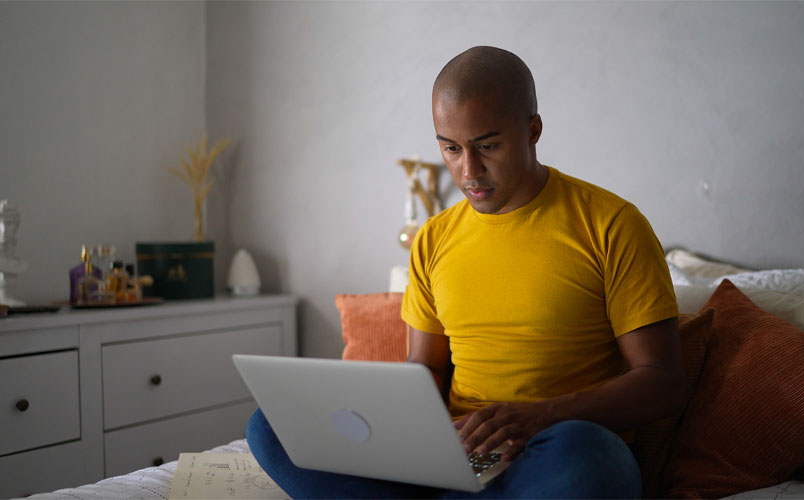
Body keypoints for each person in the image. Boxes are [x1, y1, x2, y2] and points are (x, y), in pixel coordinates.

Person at [247, 46, 683, 499]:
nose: (468, 170)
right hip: (454, 454)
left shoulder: (611, 224)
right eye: (451, 149)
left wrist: (540, 416)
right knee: (273, 424)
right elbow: (427, 370)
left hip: (548, 451)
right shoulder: (434, 238)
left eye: (488, 146)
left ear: (533, 130)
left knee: (592, 457)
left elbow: (663, 381)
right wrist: (399, 434)